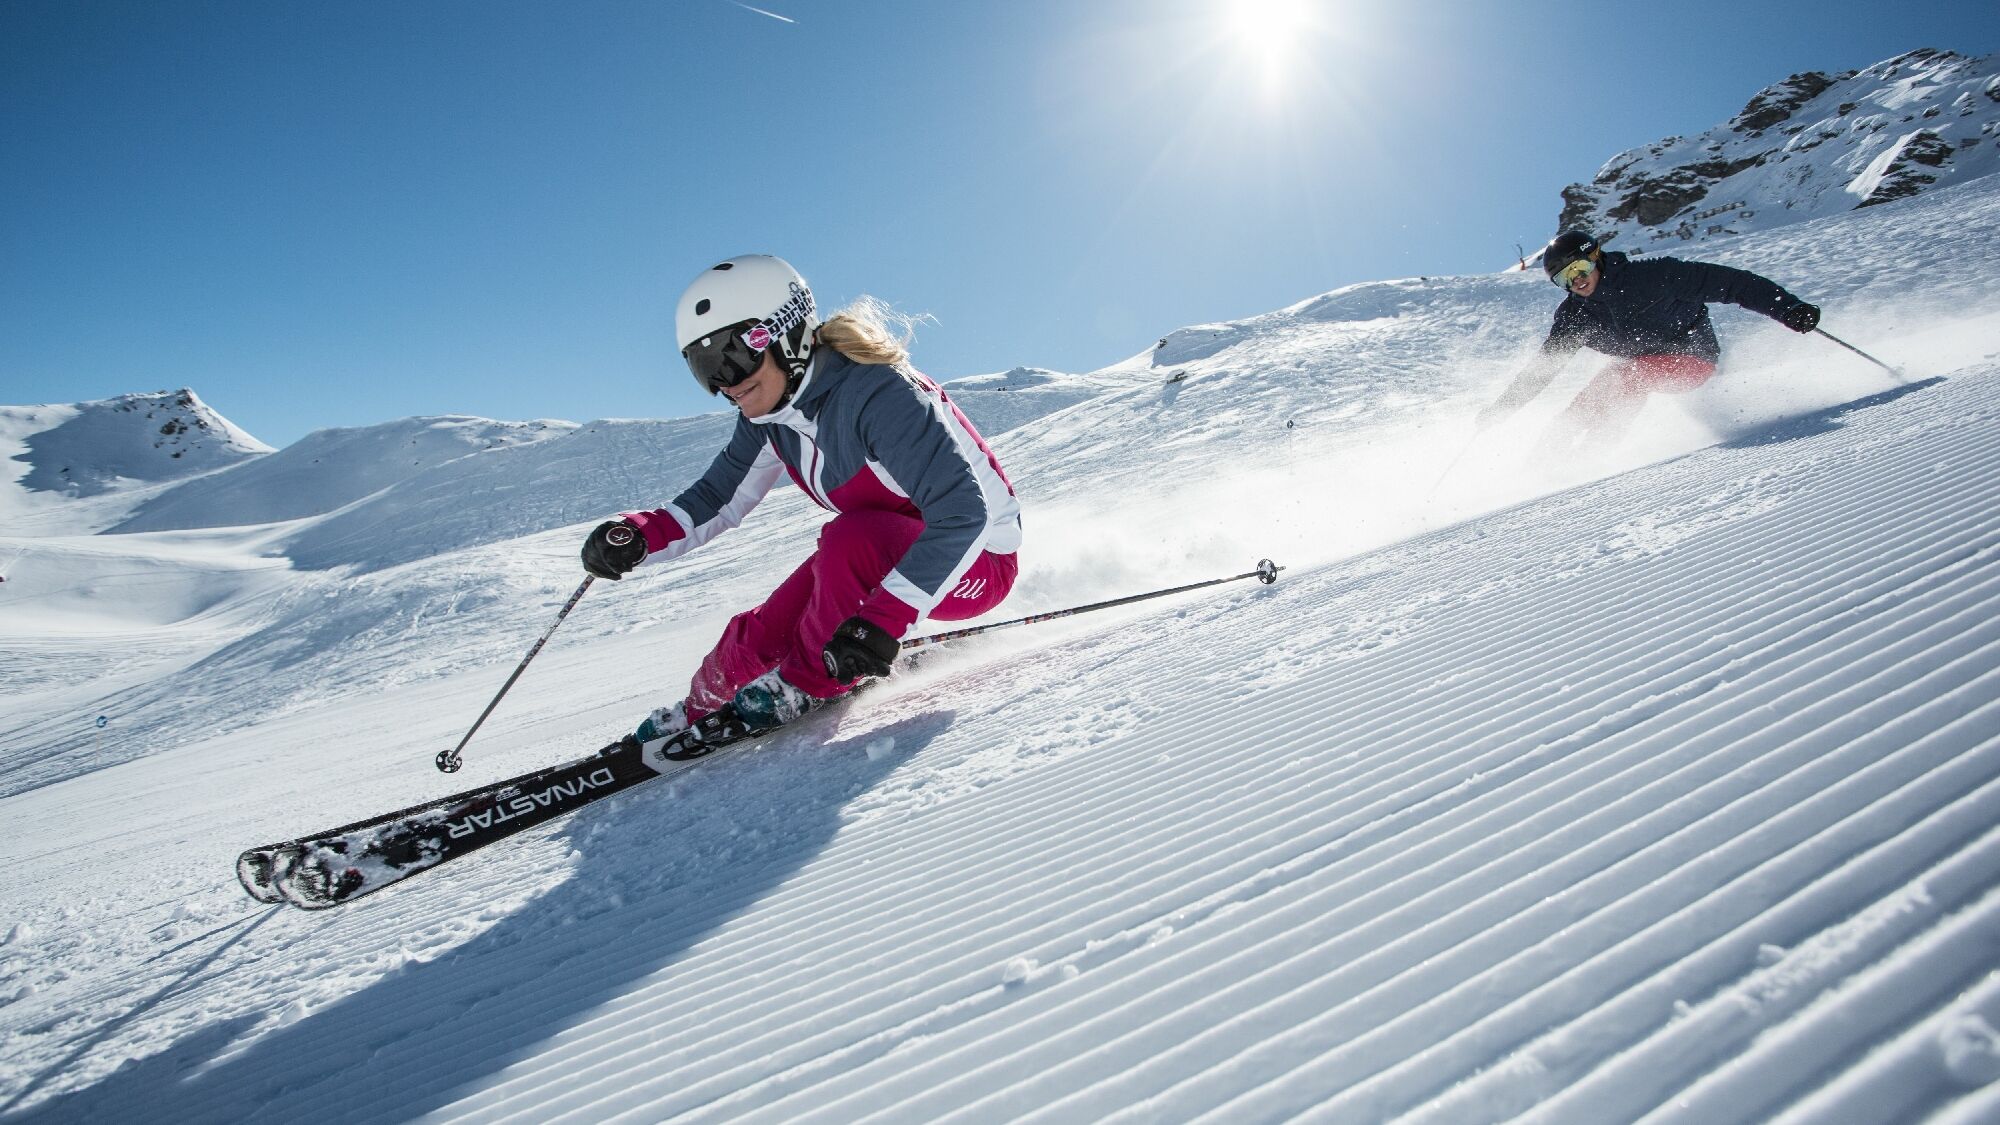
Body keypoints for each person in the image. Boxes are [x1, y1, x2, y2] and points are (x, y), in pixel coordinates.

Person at [580, 255, 1022, 743]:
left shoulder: (878, 394)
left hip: (976, 564)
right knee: (766, 630)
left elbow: (964, 515)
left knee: (851, 538)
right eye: (704, 368)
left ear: (785, 334)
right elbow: (717, 497)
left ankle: (806, 684)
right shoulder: (770, 417)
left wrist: (881, 622)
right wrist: (640, 535)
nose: (725, 383)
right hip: (874, 555)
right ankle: (700, 707)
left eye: (731, 357)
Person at [1475, 230, 1823, 456]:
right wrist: (1502, 409)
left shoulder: (1654, 276)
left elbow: (1733, 284)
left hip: (1693, 358)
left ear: (1595, 257)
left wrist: (1788, 308)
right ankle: (1543, 468)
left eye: (1578, 269)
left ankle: (1592, 457)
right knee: (1581, 407)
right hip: (1640, 367)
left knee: (1625, 378)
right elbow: (1544, 368)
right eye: (1563, 279)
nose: (1576, 281)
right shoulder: (1575, 315)